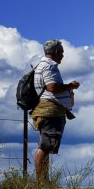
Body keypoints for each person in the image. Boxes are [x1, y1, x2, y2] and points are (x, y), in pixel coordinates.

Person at [30, 39, 79, 181]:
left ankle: (44, 180)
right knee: (45, 146)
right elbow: (52, 87)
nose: (63, 55)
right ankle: (42, 182)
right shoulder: (50, 66)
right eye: (62, 52)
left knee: (46, 145)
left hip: (45, 109)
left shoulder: (41, 65)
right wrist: (70, 86)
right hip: (50, 110)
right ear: (56, 52)